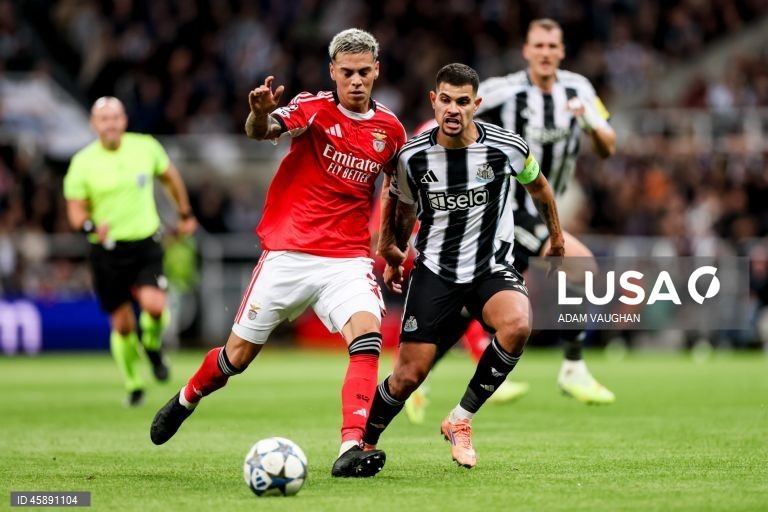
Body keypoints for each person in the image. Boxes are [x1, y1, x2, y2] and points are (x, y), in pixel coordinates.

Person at [149, 28, 407, 476]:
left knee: (366, 340)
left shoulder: (391, 130)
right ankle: (188, 396)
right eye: (347, 73)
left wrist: (388, 245)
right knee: (237, 358)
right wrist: (257, 114)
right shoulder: (312, 107)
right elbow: (263, 130)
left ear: (377, 70)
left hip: (347, 259)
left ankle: (351, 447)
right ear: (333, 72)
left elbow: (394, 193)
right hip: (289, 253)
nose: (357, 81)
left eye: (364, 72)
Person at [333, 63, 564, 476]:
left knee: (517, 324)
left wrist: (557, 237)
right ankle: (362, 444)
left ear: (476, 104)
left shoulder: (507, 147)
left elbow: (540, 186)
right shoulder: (413, 156)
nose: (453, 109)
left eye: (462, 101)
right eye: (446, 100)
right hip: (435, 272)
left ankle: (461, 417)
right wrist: (392, 250)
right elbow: (399, 203)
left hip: (489, 268)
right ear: (433, 101)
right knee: (407, 376)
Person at [473, 18, 618, 404]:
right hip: (507, 206)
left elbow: (608, 144)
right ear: (526, 50)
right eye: (539, 46)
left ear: (562, 51)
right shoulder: (502, 92)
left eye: (553, 46)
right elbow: (455, 117)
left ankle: (420, 373)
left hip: (545, 209)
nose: (546, 53)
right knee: (582, 266)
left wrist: (588, 121)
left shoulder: (580, 89)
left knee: (485, 294)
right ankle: (573, 369)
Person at [64, 96, 198, 407]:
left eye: (115, 117)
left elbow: (170, 177)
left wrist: (185, 212)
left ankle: (152, 345)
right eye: (103, 118)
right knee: (122, 324)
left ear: (124, 120)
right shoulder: (82, 162)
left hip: (145, 241)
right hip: (106, 250)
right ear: (94, 124)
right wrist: (89, 227)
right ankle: (134, 383)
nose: (110, 123)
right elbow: (75, 211)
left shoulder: (145, 147)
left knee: (154, 305)